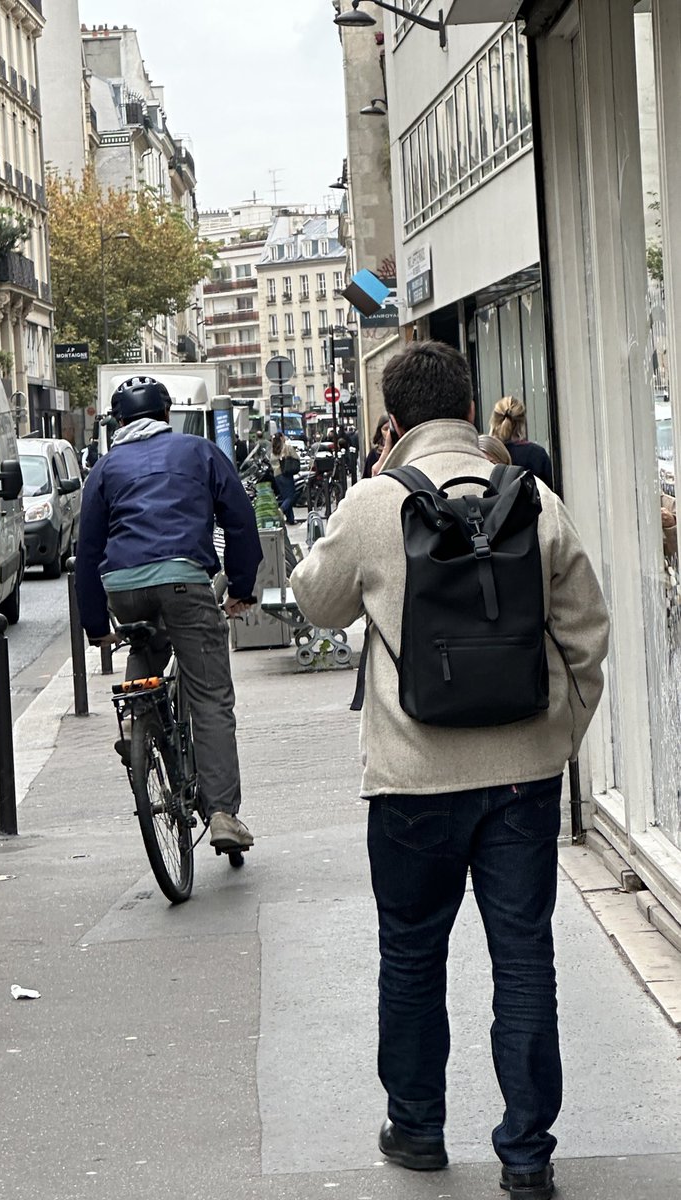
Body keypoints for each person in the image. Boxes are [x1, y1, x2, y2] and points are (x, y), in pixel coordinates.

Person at [291, 341, 610, 1200]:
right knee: (523, 959)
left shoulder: (372, 503)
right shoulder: (534, 499)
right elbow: (587, 633)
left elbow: (313, 602)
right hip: (522, 776)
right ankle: (528, 1154)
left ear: (392, 421)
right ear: (472, 409)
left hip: (409, 779)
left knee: (411, 954)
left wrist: (372, 483)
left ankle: (419, 1127)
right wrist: (558, 739)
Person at [75, 376, 261, 854]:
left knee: (144, 641)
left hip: (123, 586)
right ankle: (222, 813)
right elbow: (239, 519)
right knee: (210, 697)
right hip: (184, 579)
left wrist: (96, 626)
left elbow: (88, 548)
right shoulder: (199, 452)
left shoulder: (104, 468)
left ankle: (135, 724)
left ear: (118, 422)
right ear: (166, 415)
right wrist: (240, 589)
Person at [489, 396, 554, 488]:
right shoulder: (537, 455)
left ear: (494, 421)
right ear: (522, 422)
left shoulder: (486, 454)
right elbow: (551, 496)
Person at [271, 431, 299, 526]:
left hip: (276, 476)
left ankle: (290, 519)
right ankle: (281, 510)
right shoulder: (287, 447)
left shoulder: (273, 450)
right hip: (286, 474)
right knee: (291, 496)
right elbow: (296, 457)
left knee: (285, 496)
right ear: (282, 438)